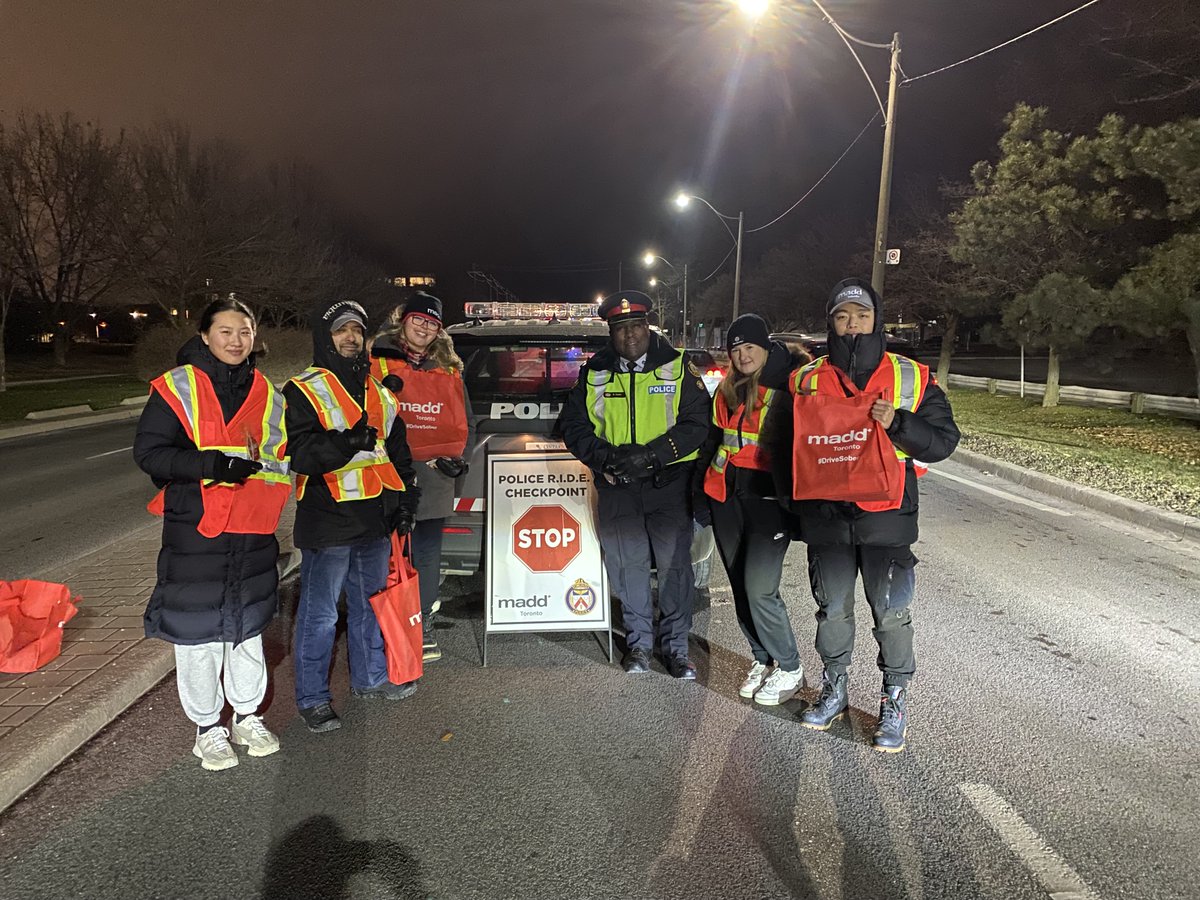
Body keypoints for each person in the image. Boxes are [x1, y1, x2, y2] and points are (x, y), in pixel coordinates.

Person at [772, 278, 960, 753]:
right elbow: (781, 451)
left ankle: (894, 698)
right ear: (831, 322)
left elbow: (943, 442)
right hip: (828, 523)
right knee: (832, 610)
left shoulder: (910, 377)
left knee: (891, 615)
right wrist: (796, 513)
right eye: (841, 316)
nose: (851, 323)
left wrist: (898, 422)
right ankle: (834, 688)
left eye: (860, 314)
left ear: (876, 318)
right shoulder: (805, 380)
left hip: (888, 519)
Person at [133, 296, 289, 770]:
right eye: (225, 331)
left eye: (244, 331)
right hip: (196, 528)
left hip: (252, 528)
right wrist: (210, 465)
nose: (236, 341)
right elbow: (151, 454)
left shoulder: (268, 390)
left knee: (247, 627)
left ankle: (246, 715)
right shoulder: (177, 387)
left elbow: (279, 460)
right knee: (198, 630)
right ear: (204, 335)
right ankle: (207, 727)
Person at [284, 299, 421, 733]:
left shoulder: (379, 391)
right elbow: (299, 455)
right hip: (328, 519)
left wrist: (404, 506)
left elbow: (397, 456)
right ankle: (312, 697)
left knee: (369, 606)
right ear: (325, 337)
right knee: (321, 615)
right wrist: (344, 442)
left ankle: (370, 677)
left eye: (356, 331)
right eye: (341, 330)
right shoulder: (302, 389)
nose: (350, 338)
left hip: (374, 519)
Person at [559, 291, 711, 678]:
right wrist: (606, 458)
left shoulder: (678, 367)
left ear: (648, 327)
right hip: (617, 487)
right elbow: (573, 427)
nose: (629, 335)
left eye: (636, 326)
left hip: (668, 485)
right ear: (612, 333)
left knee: (675, 568)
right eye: (621, 328)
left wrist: (651, 455)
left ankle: (676, 649)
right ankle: (640, 645)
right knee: (628, 568)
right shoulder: (593, 373)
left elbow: (697, 425)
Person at [696, 314, 809, 705]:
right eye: (736, 349)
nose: (743, 355)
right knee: (741, 588)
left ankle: (791, 667)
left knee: (760, 587)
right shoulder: (726, 389)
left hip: (769, 501)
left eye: (750, 347)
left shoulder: (789, 386)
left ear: (765, 346)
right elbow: (713, 443)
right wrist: (700, 496)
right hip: (726, 496)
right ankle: (763, 659)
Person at [371, 291, 474, 663]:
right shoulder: (376, 360)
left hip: (433, 476)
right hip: (385, 472)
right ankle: (386, 626)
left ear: (438, 329)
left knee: (428, 553)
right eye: (419, 319)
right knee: (387, 551)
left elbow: (466, 420)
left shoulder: (449, 368)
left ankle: (423, 624)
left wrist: (458, 464)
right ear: (404, 320)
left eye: (431, 323)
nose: (424, 327)